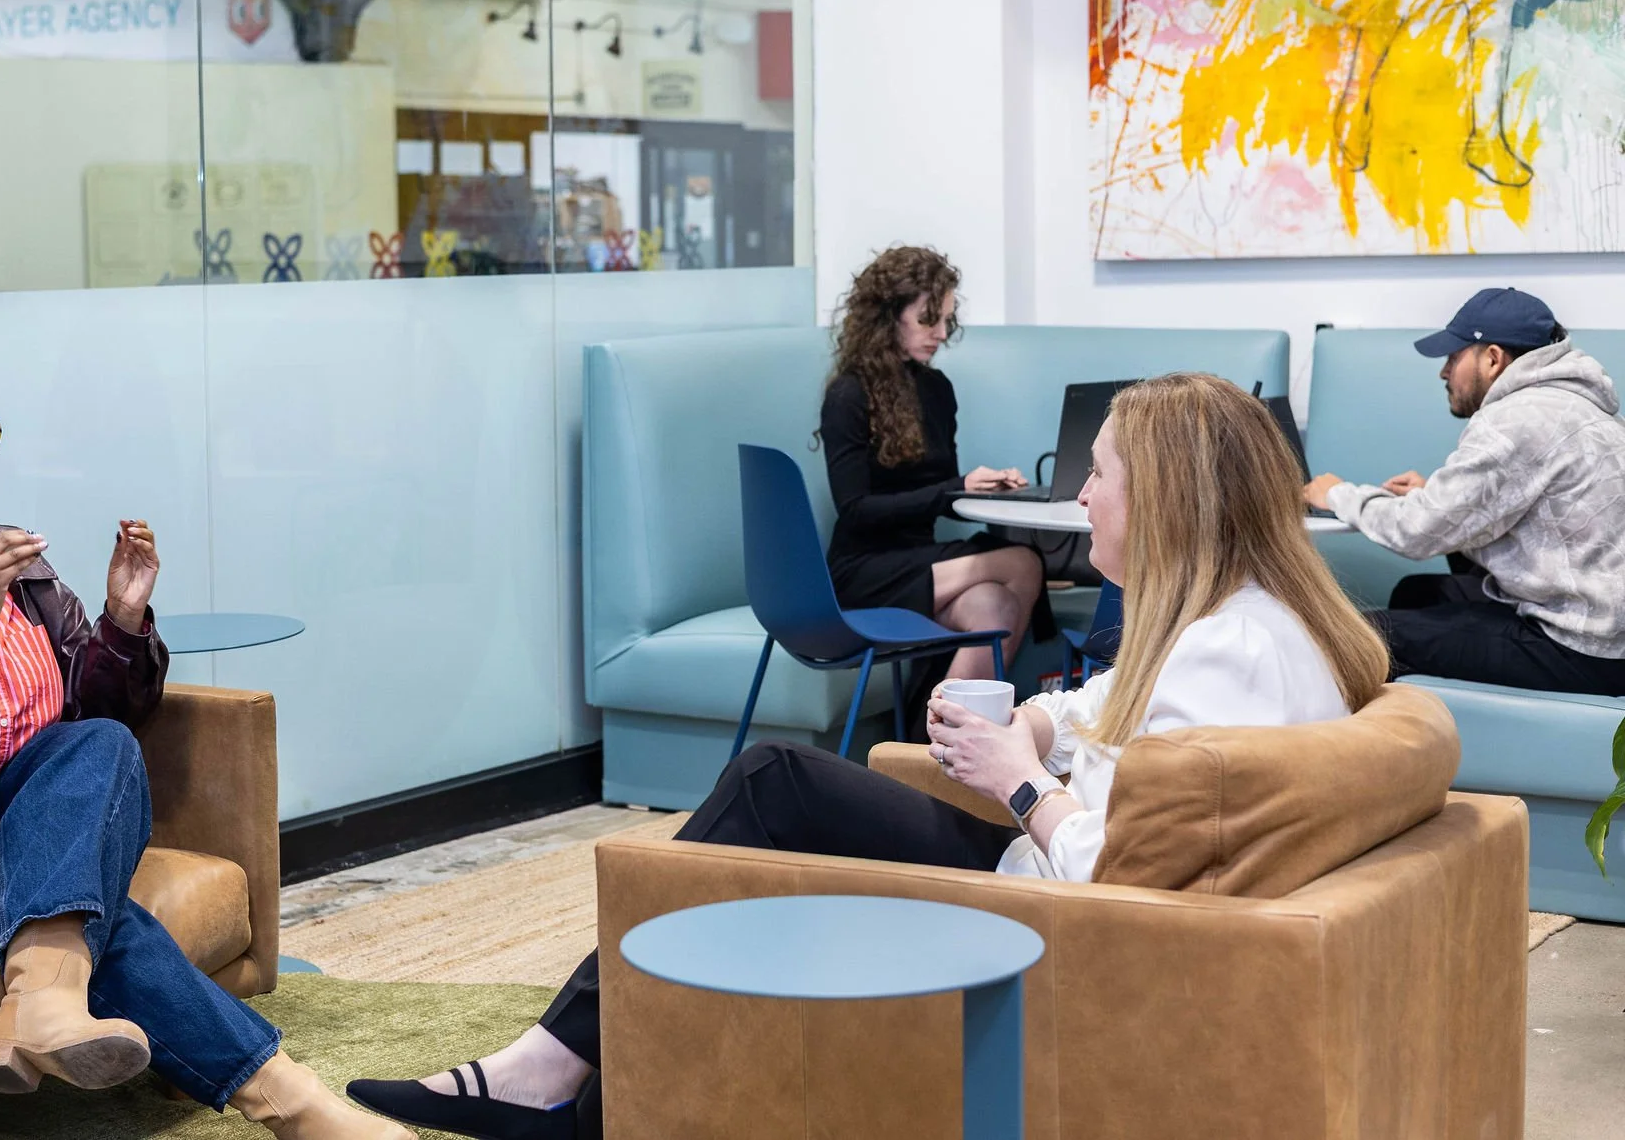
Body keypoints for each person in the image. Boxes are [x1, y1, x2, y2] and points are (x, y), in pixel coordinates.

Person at [345, 373, 1387, 1140]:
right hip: (1053, 897)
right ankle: (582, 1081)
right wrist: (1028, 728)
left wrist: (1016, 783)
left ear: (1163, 498)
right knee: (775, 786)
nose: (1080, 499)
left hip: (1057, 929)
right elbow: (1105, 717)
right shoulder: (1235, 622)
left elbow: (1115, 870)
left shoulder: (1223, 657)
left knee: (763, 788)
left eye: (1097, 478)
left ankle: (552, 1077)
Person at [0, 365, 409, 1140]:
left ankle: (39, 1003)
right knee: (87, 898)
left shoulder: (7, 553)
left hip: (21, 792)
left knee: (97, 743)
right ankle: (292, 1102)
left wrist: (124, 621)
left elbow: (98, 709)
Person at [1305, 288, 1625, 695]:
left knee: (1364, 634)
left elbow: (1417, 533)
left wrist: (1337, 495)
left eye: (1454, 357)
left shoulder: (1515, 419)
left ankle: (1362, 750)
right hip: (1607, 632)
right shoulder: (1582, 408)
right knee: (1416, 592)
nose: (1444, 372)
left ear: (1492, 358)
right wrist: (1432, 495)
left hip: (1580, 648)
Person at [817, 246, 1049, 685]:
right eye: (929, 319)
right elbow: (856, 509)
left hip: (921, 561)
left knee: (993, 607)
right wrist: (953, 488)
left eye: (946, 319)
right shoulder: (848, 395)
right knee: (1024, 562)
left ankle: (933, 740)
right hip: (863, 570)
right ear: (890, 317)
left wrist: (979, 488)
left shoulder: (937, 389)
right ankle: (941, 742)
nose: (941, 333)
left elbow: (939, 493)